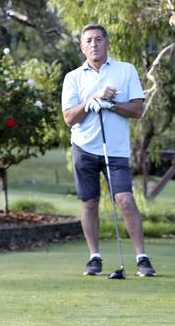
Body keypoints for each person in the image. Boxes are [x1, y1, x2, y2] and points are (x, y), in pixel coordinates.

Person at [61, 24, 156, 278]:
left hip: (115, 150)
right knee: (89, 202)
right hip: (84, 148)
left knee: (125, 200)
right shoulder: (73, 77)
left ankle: (142, 258)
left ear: (107, 44)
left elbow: (137, 110)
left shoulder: (125, 70)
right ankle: (94, 257)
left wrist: (110, 103)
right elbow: (69, 118)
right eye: (89, 41)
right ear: (82, 47)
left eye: (99, 39)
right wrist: (92, 100)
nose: (94, 44)